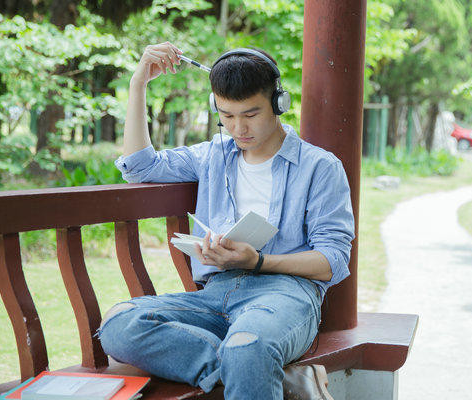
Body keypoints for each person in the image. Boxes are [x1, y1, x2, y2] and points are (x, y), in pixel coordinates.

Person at [98, 41, 354, 400]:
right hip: (216, 295)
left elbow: (333, 261)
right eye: (226, 115)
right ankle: (266, 372)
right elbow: (140, 168)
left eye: (250, 115)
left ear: (279, 104)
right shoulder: (212, 156)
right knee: (119, 323)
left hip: (286, 294)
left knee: (249, 344)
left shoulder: (320, 167)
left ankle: (249, 358)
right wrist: (138, 84)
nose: (238, 128)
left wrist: (257, 261)